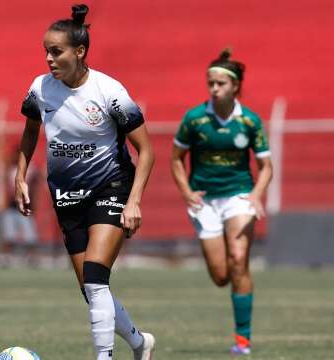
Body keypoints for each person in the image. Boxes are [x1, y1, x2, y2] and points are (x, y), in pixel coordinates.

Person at [15, 5, 155, 359]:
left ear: (80, 52)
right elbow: (30, 132)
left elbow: (147, 150)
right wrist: (20, 176)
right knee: (92, 290)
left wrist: (134, 200)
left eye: (56, 51)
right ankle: (140, 343)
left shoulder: (109, 91)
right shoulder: (40, 89)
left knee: (95, 277)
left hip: (111, 186)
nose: (48, 58)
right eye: (45, 50)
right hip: (66, 194)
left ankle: (103, 357)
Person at [170, 49, 273, 355]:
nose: (214, 89)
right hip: (205, 202)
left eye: (220, 84)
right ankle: (233, 284)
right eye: (210, 83)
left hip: (238, 196)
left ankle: (242, 340)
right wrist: (186, 191)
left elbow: (266, 166)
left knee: (239, 260)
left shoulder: (250, 121)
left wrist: (256, 195)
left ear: (235, 87)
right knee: (221, 275)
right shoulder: (195, 119)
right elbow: (176, 159)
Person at [0, 147, 41, 267]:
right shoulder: (10, 169)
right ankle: (5, 258)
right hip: (12, 206)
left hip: (26, 205)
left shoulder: (30, 169)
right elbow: (6, 188)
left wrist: (35, 204)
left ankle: (32, 258)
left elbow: (35, 187)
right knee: (8, 235)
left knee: (30, 235)